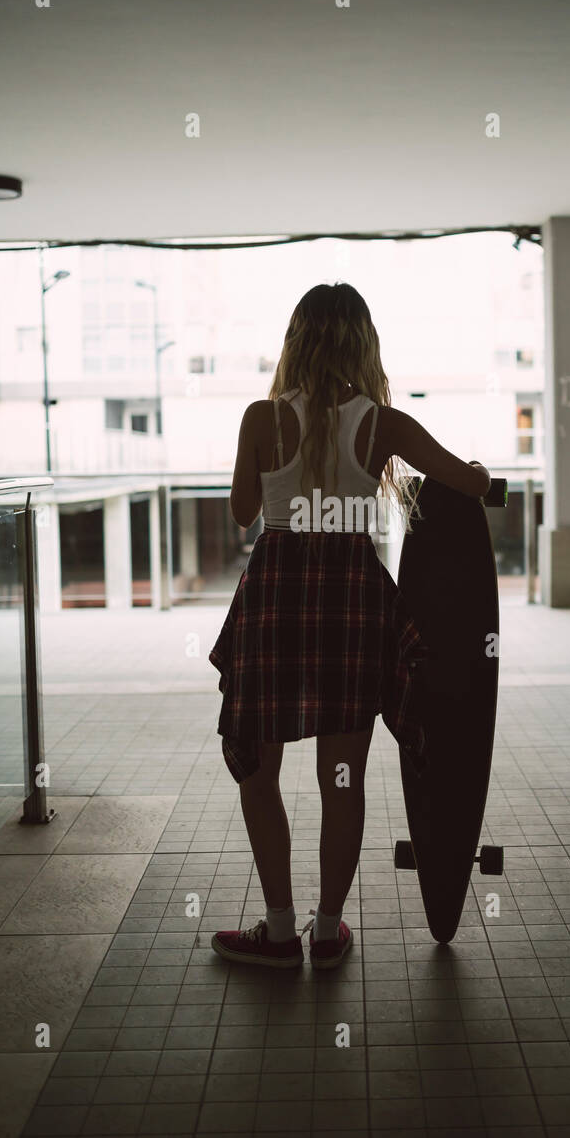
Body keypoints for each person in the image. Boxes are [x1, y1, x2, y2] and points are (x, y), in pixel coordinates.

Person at [208, 282, 491, 970]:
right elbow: (469, 481)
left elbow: (244, 513)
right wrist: (479, 472)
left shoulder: (261, 418)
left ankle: (278, 932)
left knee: (260, 773)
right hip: (350, 601)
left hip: (276, 596)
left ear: (295, 341)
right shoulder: (383, 424)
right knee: (342, 776)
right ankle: (328, 930)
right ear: (363, 344)